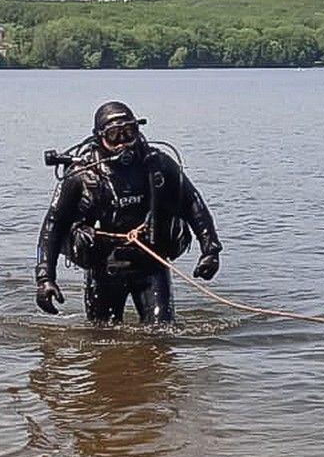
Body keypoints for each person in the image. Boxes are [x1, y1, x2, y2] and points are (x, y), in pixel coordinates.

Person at [34, 101, 223, 324]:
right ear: (99, 137)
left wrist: (210, 250)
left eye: (129, 132)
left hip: (152, 263)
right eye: (114, 135)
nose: (123, 142)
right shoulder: (81, 175)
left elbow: (193, 204)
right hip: (104, 268)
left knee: (162, 333)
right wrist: (45, 278)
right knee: (101, 337)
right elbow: (53, 225)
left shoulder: (158, 165)